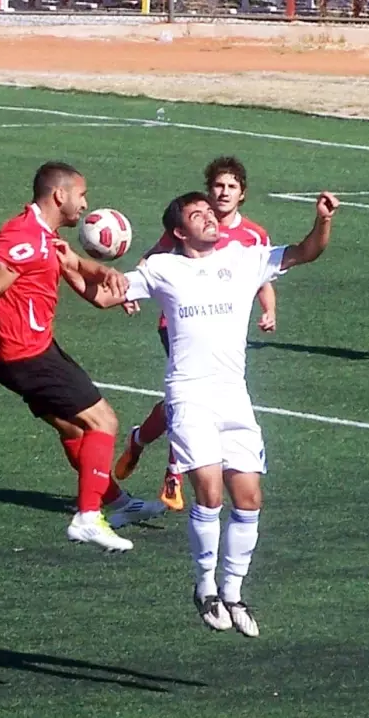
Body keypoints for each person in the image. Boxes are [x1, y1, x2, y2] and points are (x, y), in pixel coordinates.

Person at [66, 189, 338, 637]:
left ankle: (234, 593)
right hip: (190, 395)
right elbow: (103, 298)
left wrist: (323, 220)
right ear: (179, 231)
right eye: (198, 215)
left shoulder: (245, 257)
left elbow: (306, 251)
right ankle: (206, 587)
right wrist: (67, 262)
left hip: (235, 397)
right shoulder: (163, 268)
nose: (210, 219)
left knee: (249, 498)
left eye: (211, 213)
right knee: (210, 492)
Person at [0, 161, 165, 553]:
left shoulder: (42, 234)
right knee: (103, 421)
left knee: (75, 431)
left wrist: (103, 273)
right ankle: (88, 517)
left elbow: (66, 261)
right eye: (82, 195)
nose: (85, 205)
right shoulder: (20, 236)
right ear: (60, 195)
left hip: (28, 353)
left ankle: (116, 503)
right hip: (27, 355)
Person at [114, 157, 276, 513]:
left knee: (183, 404)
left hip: (226, 326)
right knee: (189, 395)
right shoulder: (190, 226)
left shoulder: (252, 235)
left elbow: (262, 274)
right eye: (218, 186)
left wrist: (269, 309)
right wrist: (128, 291)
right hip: (178, 325)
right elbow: (151, 260)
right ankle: (174, 473)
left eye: (231, 187)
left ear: (242, 194)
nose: (223, 192)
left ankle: (139, 439)